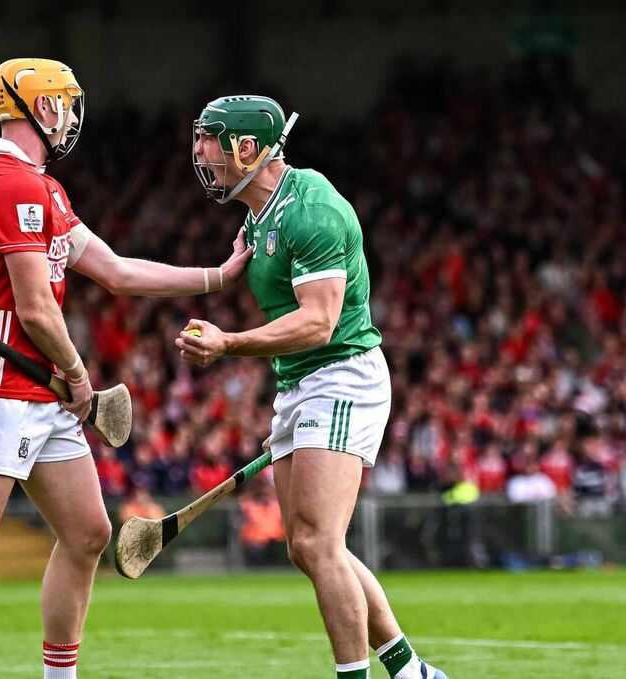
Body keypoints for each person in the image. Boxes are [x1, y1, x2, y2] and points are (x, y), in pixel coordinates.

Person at [0, 59, 254, 679]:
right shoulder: (9, 183)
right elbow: (35, 308)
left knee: (89, 533)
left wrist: (216, 276)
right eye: (65, 102)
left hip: (40, 389)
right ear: (41, 107)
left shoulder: (43, 187)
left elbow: (117, 271)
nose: (72, 115)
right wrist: (78, 377)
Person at [177, 95, 447, 679]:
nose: (199, 152)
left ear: (247, 148)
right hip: (299, 382)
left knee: (321, 542)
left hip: (342, 373)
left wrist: (229, 343)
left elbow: (319, 323)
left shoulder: (311, 210)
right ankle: (411, 672)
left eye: (208, 139)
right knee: (306, 547)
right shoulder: (259, 215)